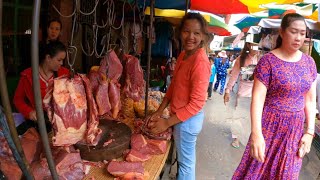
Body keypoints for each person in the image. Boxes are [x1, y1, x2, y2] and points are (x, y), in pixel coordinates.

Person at [233, 13, 317, 179]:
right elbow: (257, 100)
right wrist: (256, 134)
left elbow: (310, 99)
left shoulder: (309, 63)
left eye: (302, 33)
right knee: (256, 172)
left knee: (286, 174)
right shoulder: (268, 62)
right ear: (282, 32)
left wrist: (309, 133)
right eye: (294, 32)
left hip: (295, 130)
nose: (299, 37)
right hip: (269, 126)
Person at [147, 12, 211, 180]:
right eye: (186, 31)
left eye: (196, 33)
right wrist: (159, 111)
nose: (191, 37)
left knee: (185, 165)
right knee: (185, 161)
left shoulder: (200, 62)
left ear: (203, 36)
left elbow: (197, 103)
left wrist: (166, 122)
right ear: (180, 32)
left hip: (187, 121)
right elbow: (174, 86)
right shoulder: (184, 54)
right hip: (180, 118)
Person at [14, 41, 69, 135]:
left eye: (62, 60)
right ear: (48, 58)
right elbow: (18, 99)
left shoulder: (64, 73)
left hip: (61, 122)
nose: (62, 63)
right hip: (38, 121)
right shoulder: (28, 76)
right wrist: (29, 112)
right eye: (59, 60)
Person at [224, 41, 260, 149]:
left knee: (252, 117)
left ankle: (249, 137)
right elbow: (234, 75)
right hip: (243, 92)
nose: (256, 48)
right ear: (248, 45)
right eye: (253, 45)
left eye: (257, 46)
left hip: (257, 93)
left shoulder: (262, 58)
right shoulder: (241, 59)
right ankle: (237, 138)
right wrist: (227, 90)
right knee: (239, 115)